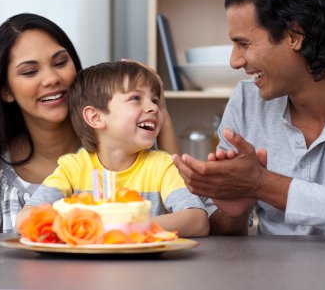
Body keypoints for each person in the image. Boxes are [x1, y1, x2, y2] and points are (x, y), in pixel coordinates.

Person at [0, 13, 180, 233]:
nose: (52, 78)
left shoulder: (127, 143)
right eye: (30, 71)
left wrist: (162, 108)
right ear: (6, 90)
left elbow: (192, 214)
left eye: (61, 62)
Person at [173, 0, 325, 235]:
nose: (234, 61)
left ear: (295, 35)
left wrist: (261, 184)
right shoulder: (247, 102)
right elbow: (225, 239)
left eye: (243, 44)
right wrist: (233, 211)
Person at [16, 61, 210, 237]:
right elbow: (24, 218)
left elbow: (198, 221)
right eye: (136, 98)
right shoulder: (73, 168)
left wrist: (128, 228)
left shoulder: (161, 166)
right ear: (96, 117)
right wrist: (77, 228)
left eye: (154, 99)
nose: (153, 108)